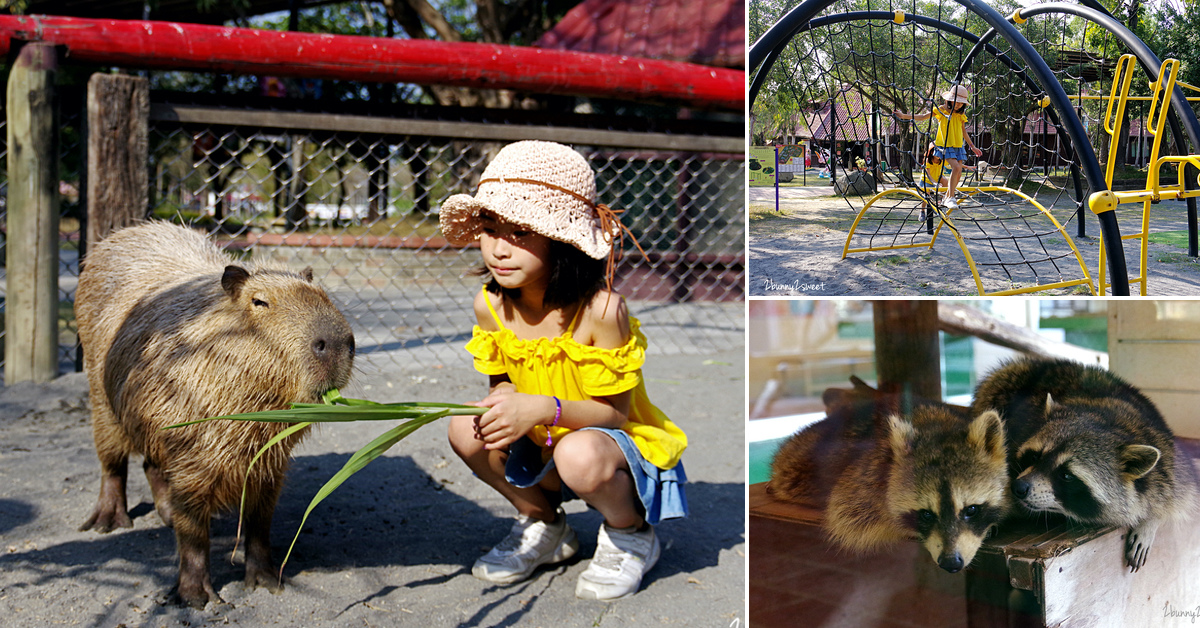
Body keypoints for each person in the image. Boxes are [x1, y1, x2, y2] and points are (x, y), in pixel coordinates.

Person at [438, 140, 689, 601]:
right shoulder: (490, 306)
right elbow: (503, 388)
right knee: (463, 426)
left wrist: (544, 407)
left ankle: (629, 531)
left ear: (561, 240)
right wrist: (502, 405)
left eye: (522, 233)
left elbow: (614, 416)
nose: (500, 249)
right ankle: (544, 523)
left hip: (606, 446)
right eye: (491, 228)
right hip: (538, 441)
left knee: (579, 454)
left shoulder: (601, 311)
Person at [894, 84, 983, 209]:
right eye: (956, 101)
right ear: (950, 100)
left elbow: (963, 131)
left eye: (961, 103)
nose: (958, 105)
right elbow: (923, 117)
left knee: (958, 172)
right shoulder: (942, 110)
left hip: (958, 146)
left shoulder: (961, 115)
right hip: (945, 145)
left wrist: (972, 146)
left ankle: (947, 196)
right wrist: (905, 116)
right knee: (956, 167)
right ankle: (950, 197)